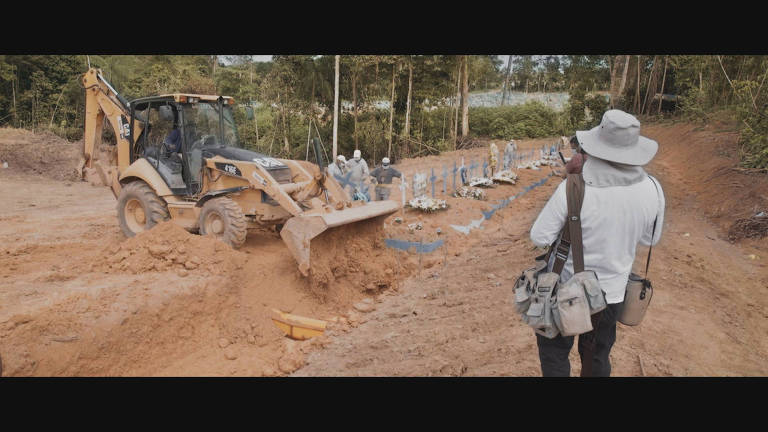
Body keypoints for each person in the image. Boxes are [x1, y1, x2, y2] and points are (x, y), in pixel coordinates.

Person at [529, 109, 665, 377]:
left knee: (555, 354)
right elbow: (650, 238)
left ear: (596, 144)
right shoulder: (653, 188)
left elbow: (540, 237)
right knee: (597, 357)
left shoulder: (573, 187)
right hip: (612, 294)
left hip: (566, 290)